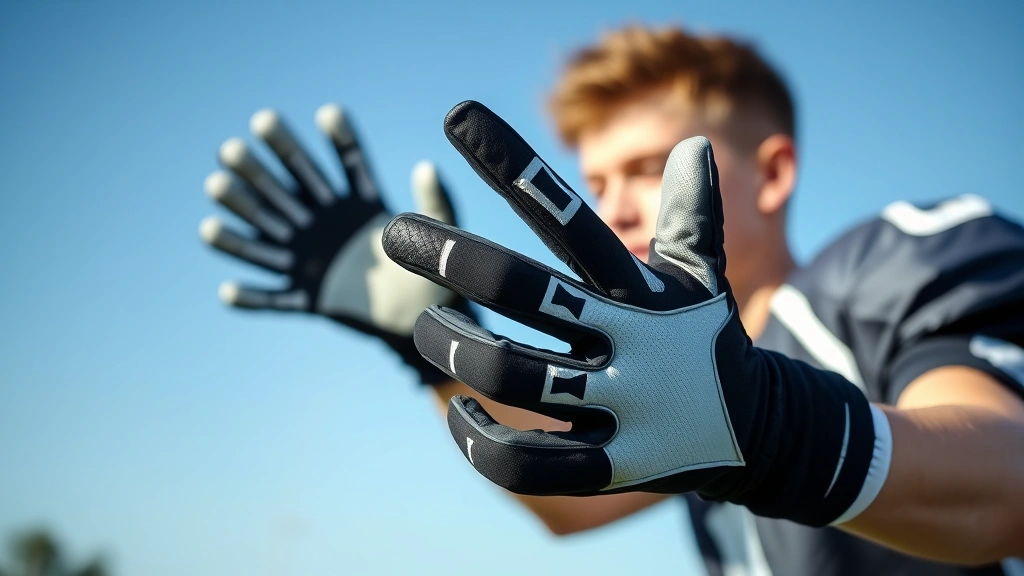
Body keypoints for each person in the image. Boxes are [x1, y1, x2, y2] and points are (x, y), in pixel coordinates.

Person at [199, 24, 1024, 576]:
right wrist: (427, 343)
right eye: (594, 182)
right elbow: (563, 499)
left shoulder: (885, 263)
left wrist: (780, 429)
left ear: (772, 173)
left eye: (645, 168)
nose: (615, 206)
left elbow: (1009, 482)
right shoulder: (669, 387)